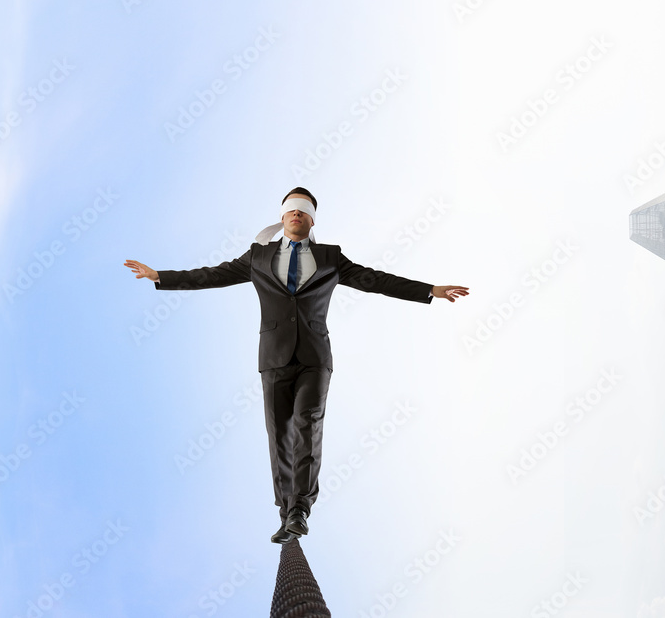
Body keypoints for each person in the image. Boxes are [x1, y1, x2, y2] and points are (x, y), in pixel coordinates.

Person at [124, 187, 469, 543]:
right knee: (279, 435)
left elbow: (375, 280)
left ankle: (300, 508)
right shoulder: (258, 256)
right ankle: (286, 511)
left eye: (303, 210)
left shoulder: (330, 257)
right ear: (282, 216)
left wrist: (429, 290)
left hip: (314, 358)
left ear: (311, 220)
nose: (297, 214)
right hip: (273, 356)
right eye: (292, 209)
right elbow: (212, 275)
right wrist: (160, 276)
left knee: (308, 424)